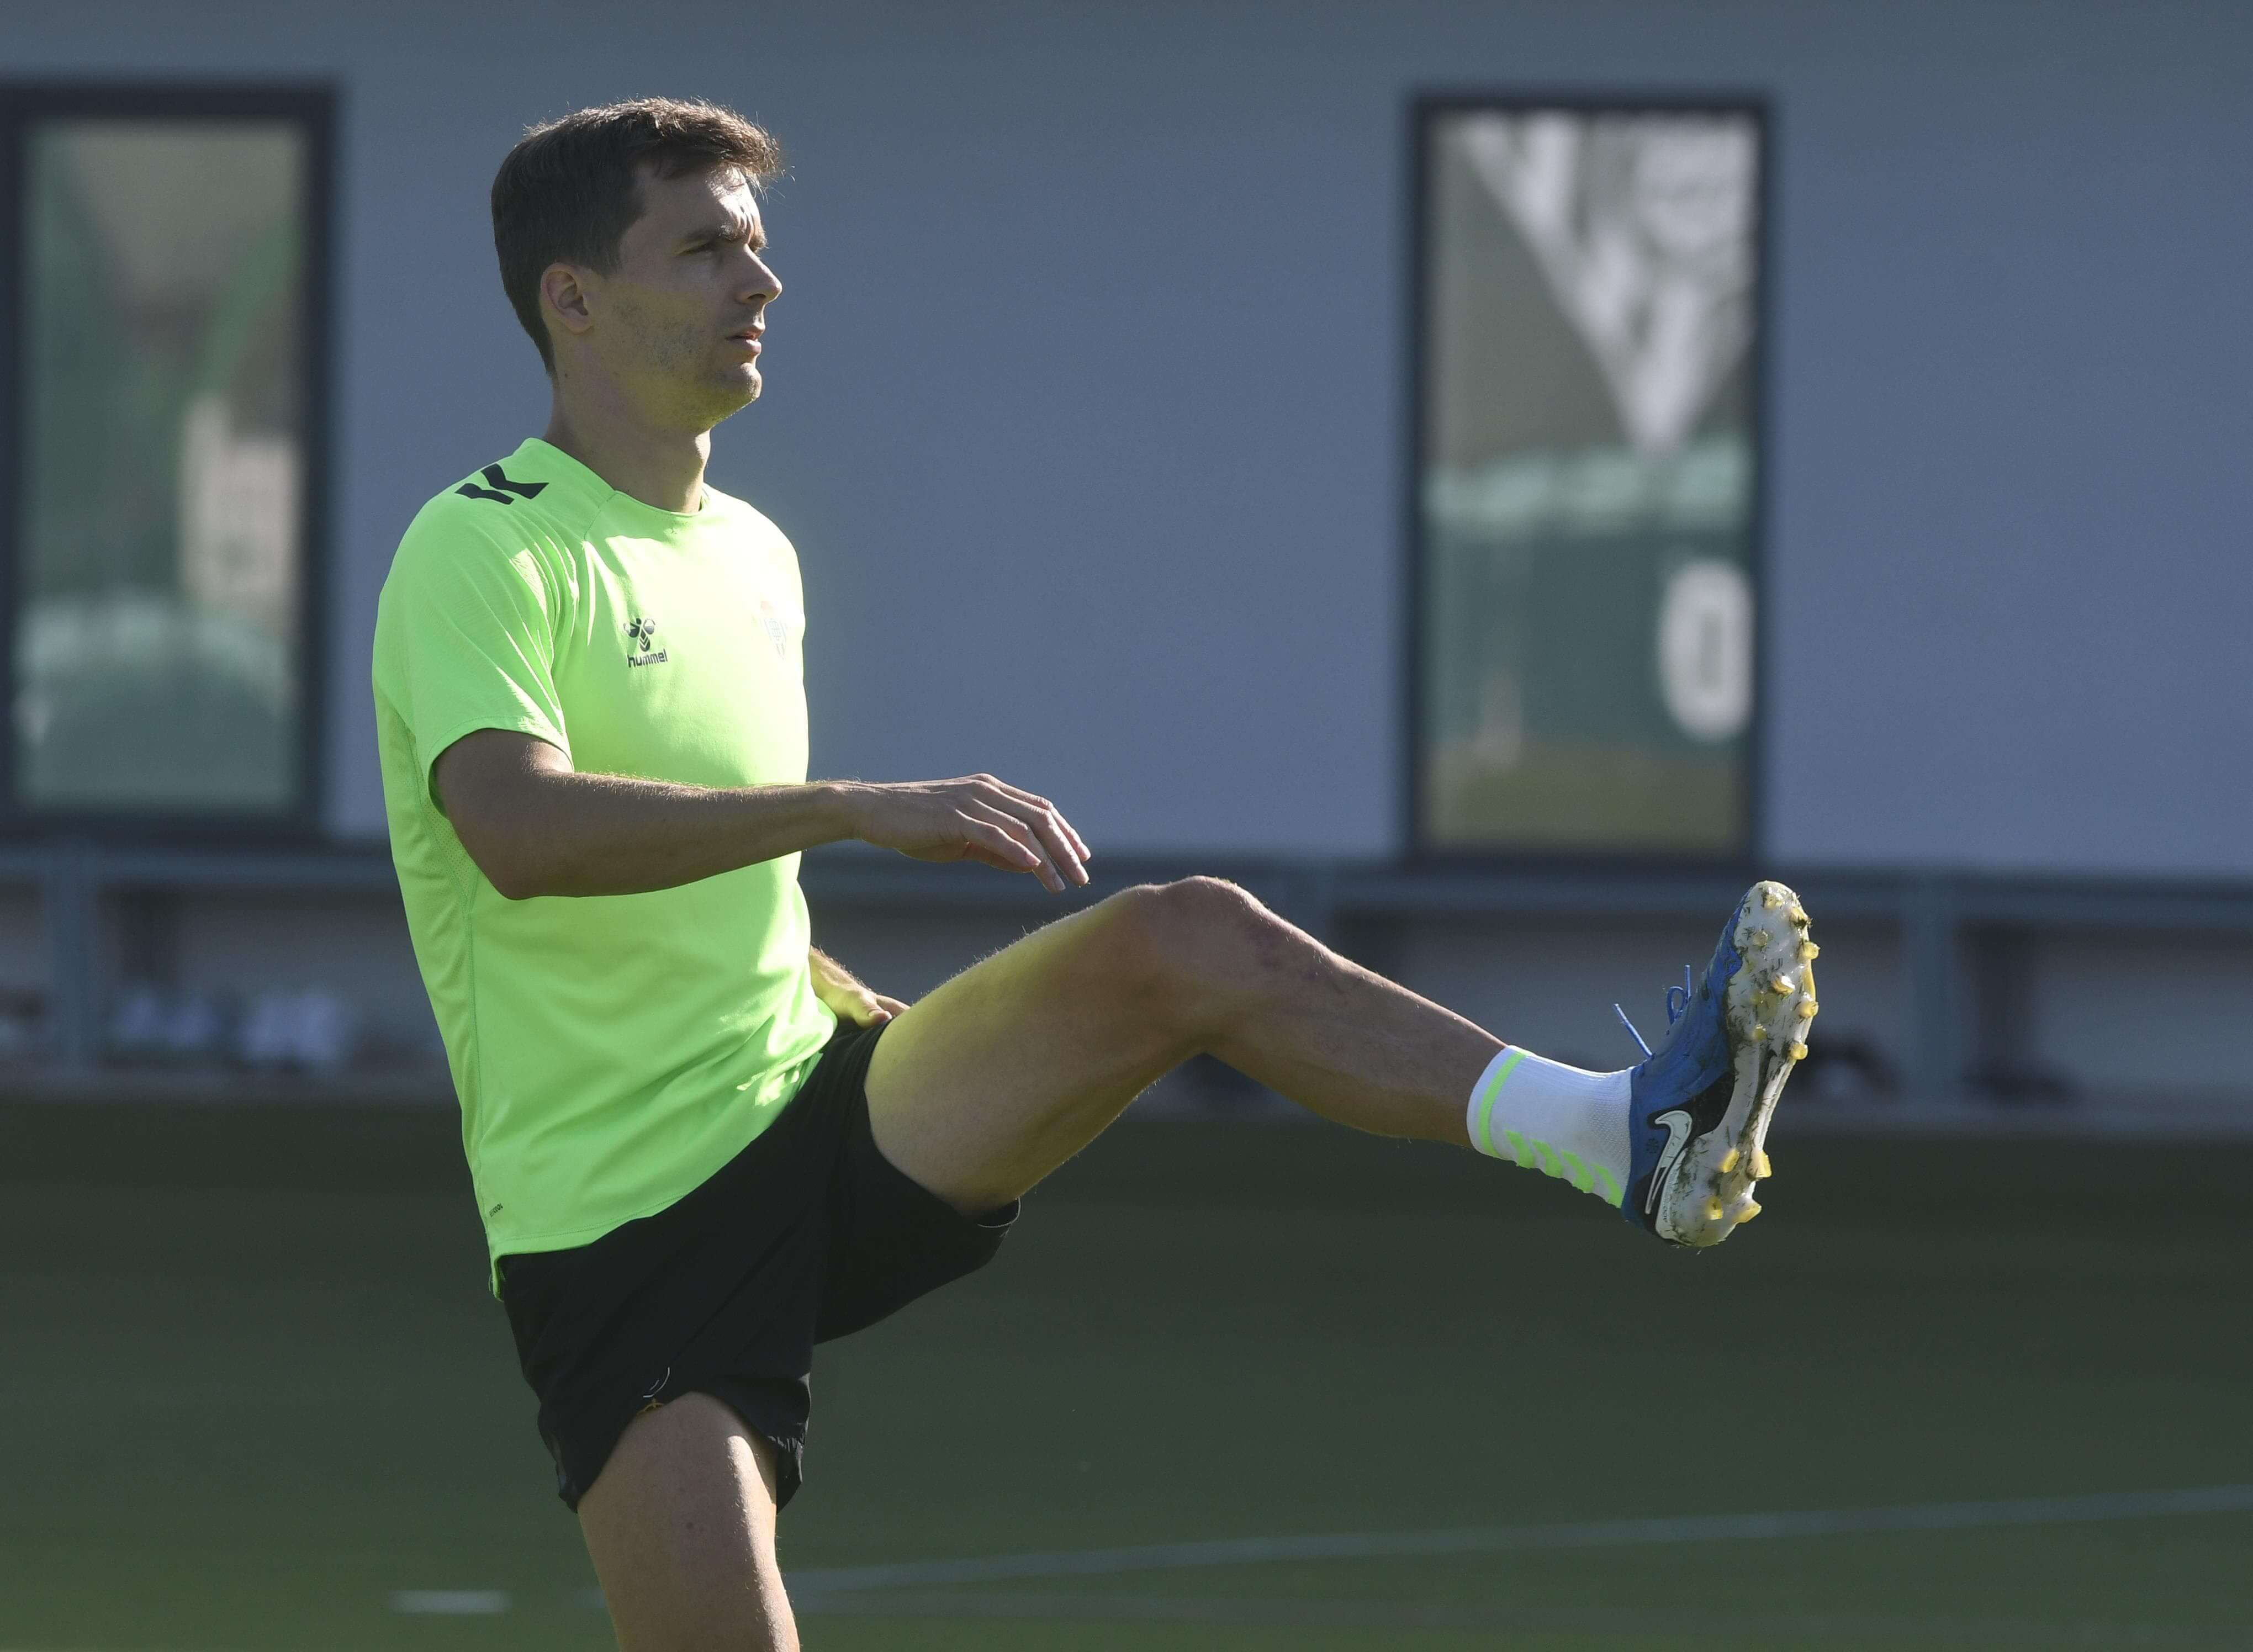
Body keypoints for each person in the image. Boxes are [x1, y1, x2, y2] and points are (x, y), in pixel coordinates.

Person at [370, 96, 1818, 1652]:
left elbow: (715, 878)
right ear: (570, 298)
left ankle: (1624, 1137)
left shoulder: (754, 554)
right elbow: (519, 836)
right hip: (620, 1225)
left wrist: (840, 984)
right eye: (707, 247)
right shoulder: (481, 549)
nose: (760, 284)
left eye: (760, 247)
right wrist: (854, 809)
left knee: (1181, 944)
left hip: (817, 1107)